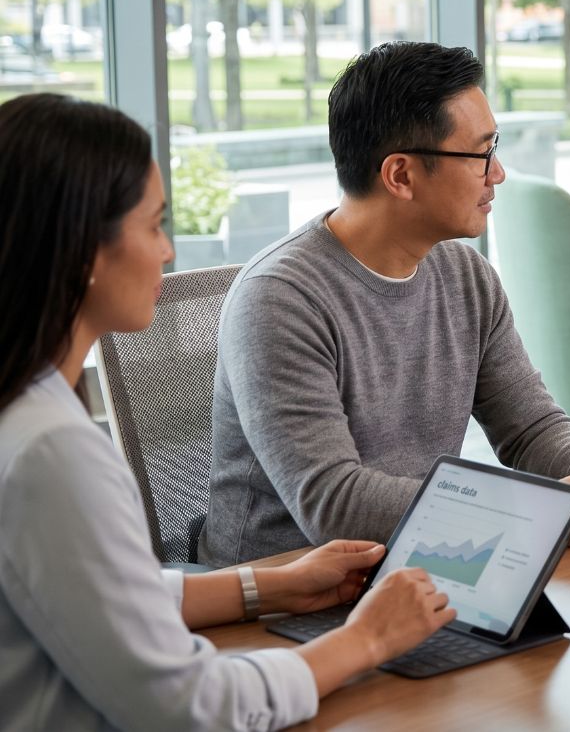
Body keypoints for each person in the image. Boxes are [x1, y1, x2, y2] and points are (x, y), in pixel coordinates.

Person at [0, 93, 455, 729]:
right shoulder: (52, 453)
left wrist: (271, 586)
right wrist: (366, 640)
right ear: (82, 252)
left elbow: (104, 598)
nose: (167, 253)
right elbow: (189, 706)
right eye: (154, 225)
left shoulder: (27, 412)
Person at [203, 42, 570, 567]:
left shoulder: (465, 275)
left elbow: (530, 427)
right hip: (286, 588)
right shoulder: (280, 299)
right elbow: (332, 502)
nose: (498, 174)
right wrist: (537, 513)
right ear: (400, 175)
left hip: (425, 559)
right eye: (482, 154)